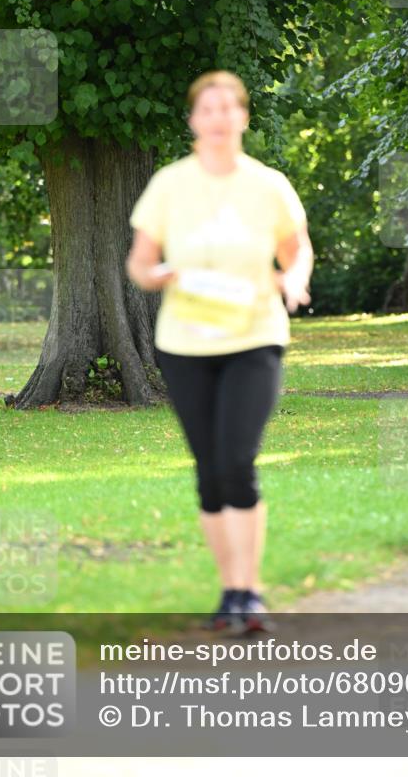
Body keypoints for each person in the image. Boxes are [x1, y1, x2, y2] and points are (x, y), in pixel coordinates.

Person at [126, 70, 313, 633]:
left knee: (237, 462)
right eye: (206, 109)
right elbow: (139, 262)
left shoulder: (268, 185)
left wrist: (293, 280)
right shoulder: (168, 185)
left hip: (254, 337)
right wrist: (157, 274)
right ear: (193, 120)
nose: (218, 118)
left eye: (228, 108)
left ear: (243, 117)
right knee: (209, 472)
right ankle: (229, 591)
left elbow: (296, 249)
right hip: (184, 344)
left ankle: (250, 593)